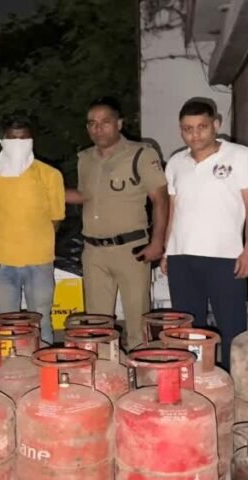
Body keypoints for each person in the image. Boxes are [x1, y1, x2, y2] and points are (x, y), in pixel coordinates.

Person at [161, 98, 248, 371]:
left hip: (225, 257)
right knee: (188, 329)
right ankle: (194, 378)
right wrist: (167, 251)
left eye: (202, 127)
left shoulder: (240, 156)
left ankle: (232, 381)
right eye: (188, 129)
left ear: (216, 124)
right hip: (182, 257)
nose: (194, 135)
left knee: (232, 326)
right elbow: (174, 210)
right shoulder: (176, 162)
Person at [66, 96, 169, 350]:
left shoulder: (141, 154)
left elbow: (160, 199)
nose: (97, 128)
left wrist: (158, 243)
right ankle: (104, 367)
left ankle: (141, 366)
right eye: (92, 123)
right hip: (94, 252)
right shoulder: (85, 159)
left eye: (105, 122)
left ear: (119, 123)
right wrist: (44, 192)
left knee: (138, 321)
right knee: (96, 324)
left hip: (131, 250)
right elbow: (85, 196)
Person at [0, 114, 65, 343]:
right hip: (2, 261)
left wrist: (35, 239)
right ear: (2, 141)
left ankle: (43, 361)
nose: (18, 144)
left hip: (39, 260)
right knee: (6, 322)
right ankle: (11, 363)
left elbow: (56, 218)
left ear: (32, 141)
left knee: (41, 319)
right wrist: (6, 237)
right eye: (13, 139)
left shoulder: (50, 175)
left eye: (24, 139)